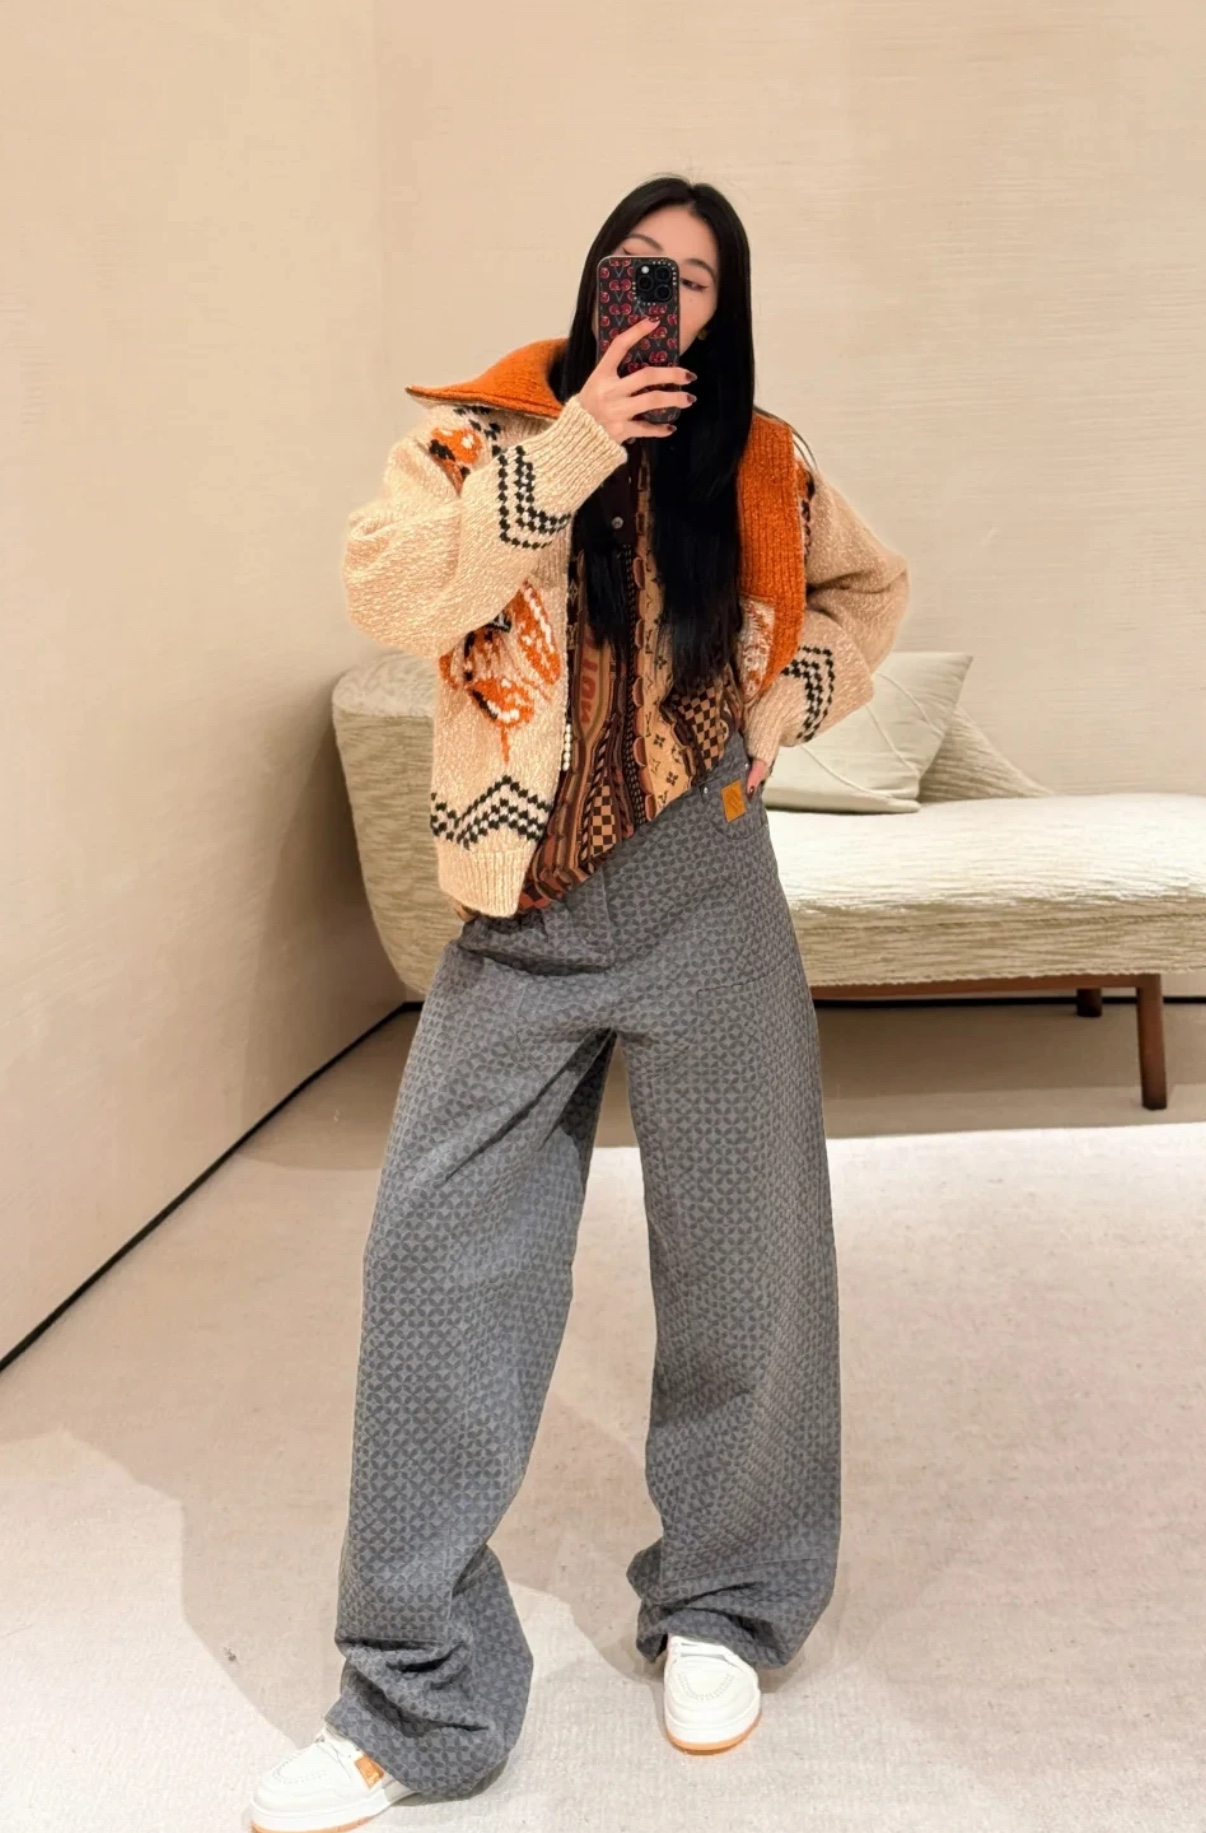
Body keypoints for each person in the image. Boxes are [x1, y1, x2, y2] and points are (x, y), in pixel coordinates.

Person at [248, 173, 909, 1832]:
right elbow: (393, 592)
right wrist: (574, 444)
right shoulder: (478, 439)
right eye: (638, 268)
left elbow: (866, 592)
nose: (661, 299)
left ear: (724, 310)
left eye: (694, 279)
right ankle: (414, 1693)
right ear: (596, 283)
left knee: (746, 1264)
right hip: (520, 906)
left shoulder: (765, 461)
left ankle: (726, 1602)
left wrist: (781, 710)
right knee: (436, 1267)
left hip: (707, 891)